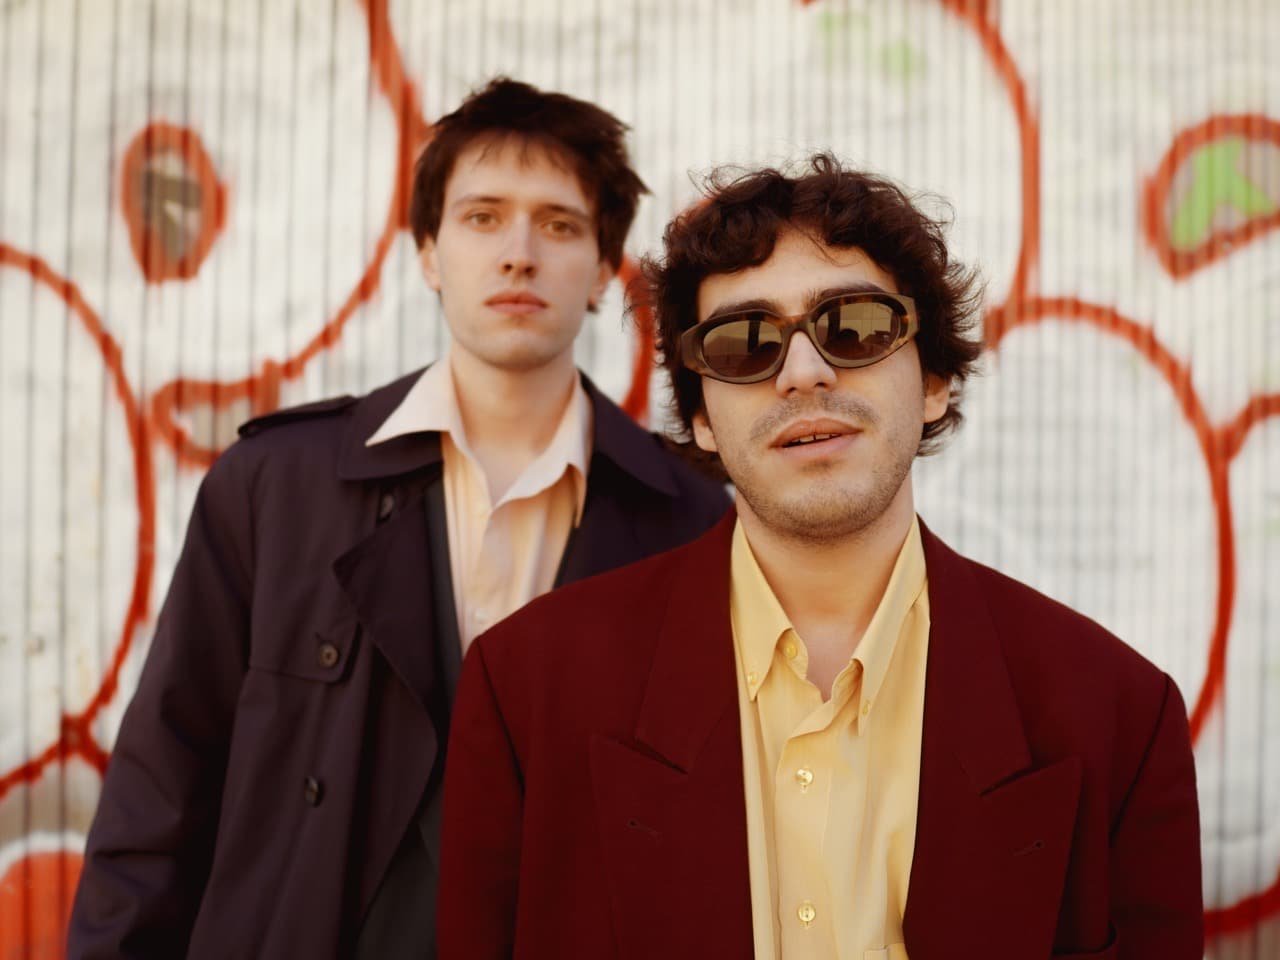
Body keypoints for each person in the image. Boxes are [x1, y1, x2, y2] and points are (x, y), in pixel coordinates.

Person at [437, 154, 1203, 959]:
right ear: (702, 419)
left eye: (856, 326)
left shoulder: (1119, 717)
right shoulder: (526, 693)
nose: (804, 373)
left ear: (934, 380)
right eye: (745, 343)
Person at [67, 78, 729, 959]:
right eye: (483, 217)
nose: (519, 254)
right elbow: (162, 788)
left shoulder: (688, 517)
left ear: (606, 269)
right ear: (427, 252)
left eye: (559, 225)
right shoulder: (276, 486)